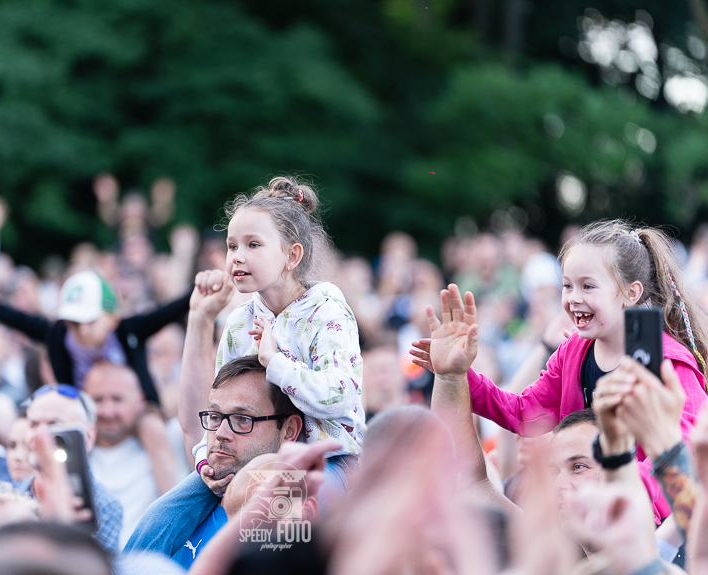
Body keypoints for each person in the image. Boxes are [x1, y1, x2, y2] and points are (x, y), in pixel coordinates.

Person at [412, 220, 708, 522]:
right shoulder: (573, 353)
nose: (573, 298)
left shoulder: (668, 362)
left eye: (588, 286)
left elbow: (685, 449)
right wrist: (459, 374)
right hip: (582, 513)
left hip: (652, 526)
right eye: (567, 286)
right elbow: (524, 413)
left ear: (631, 292)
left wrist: (618, 489)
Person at [192, 176, 365, 505]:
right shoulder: (238, 322)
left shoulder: (328, 313)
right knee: (163, 517)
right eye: (232, 246)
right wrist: (205, 459)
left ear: (292, 256)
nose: (237, 257)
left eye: (253, 245)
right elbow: (221, 406)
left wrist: (276, 363)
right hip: (251, 459)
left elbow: (340, 397)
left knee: (270, 512)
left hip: (328, 462)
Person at [125, 355, 304, 567]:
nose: (220, 433)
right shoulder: (173, 520)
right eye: (215, 417)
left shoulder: (297, 540)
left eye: (243, 419)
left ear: (289, 430)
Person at [0, 268, 190, 404]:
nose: (81, 330)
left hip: (133, 410)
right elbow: (21, 320)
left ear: (112, 319)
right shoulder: (58, 334)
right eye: (73, 322)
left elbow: (168, 312)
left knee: (152, 427)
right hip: (80, 412)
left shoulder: (129, 331)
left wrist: (202, 288)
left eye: (89, 321)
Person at [83, 361, 181, 543]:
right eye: (98, 400)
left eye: (117, 399)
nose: (107, 411)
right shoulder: (77, 452)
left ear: (139, 401)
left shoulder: (166, 440)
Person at [19, 383, 123, 552]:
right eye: (33, 424)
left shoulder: (103, 508)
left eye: (54, 424)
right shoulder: (6, 493)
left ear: (88, 436)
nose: (39, 435)